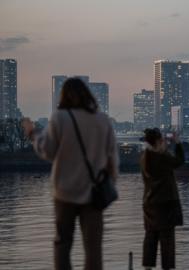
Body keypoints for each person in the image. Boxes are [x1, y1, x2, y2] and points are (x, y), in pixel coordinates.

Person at [21, 77, 119, 270]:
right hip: (93, 193)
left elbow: (47, 151)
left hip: (64, 193)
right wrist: (110, 183)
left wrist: (33, 134)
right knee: (93, 250)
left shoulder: (60, 118)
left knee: (63, 244)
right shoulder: (102, 120)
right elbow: (113, 159)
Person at [140, 128, 184, 270]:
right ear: (158, 142)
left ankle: (147, 267)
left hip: (149, 204)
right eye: (163, 140)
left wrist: (164, 149)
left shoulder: (144, 157)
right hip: (165, 204)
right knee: (167, 241)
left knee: (150, 238)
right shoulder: (162, 158)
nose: (165, 142)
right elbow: (179, 161)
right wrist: (177, 143)